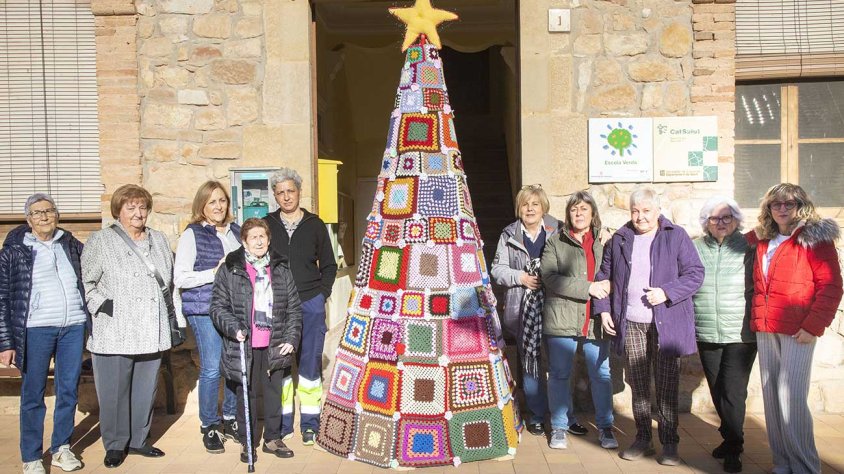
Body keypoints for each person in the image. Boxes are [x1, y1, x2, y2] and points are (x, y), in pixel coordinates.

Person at [594, 186, 704, 466]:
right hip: (631, 323)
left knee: (667, 385)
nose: (640, 216)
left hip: (665, 325)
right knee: (639, 385)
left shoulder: (675, 236)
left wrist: (667, 292)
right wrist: (604, 310)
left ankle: (669, 443)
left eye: (646, 211)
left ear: (657, 211)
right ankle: (643, 437)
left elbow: (695, 274)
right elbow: (604, 278)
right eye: (635, 211)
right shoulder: (619, 239)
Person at [81, 184, 184, 468]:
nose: (138, 213)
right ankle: (115, 445)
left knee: (145, 389)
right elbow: (87, 284)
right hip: (116, 329)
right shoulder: (100, 240)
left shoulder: (159, 239)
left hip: (152, 328)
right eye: (131, 208)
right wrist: (107, 307)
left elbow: (170, 282)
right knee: (114, 391)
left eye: (143, 207)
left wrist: (175, 319)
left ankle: (139, 440)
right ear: (118, 211)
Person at [747, 183, 842, 474]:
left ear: (801, 206)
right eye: (777, 204)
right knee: (772, 396)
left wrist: (814, 326)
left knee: (792, 397)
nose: (782, 209)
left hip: (798, 330)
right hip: (766, 326)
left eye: (789, 203)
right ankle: (784, 462)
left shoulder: (815, 240)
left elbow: (831, 286)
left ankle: (805, 466)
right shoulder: (764, 239)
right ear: (769, 208)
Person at [0, 194, 86, 474]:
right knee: (33, 394)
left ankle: (62, 448)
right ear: (28, 220)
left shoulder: (71, 245)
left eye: (49, 211)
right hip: (35, 329)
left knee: (68, 391)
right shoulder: (15, 250)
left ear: (57, 215)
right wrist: (5, 342)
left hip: (73, 326)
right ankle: (32, 457)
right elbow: (2, 297)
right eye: (37, 213)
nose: (44, 216)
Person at [211, 218, 303, 464]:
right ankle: (247, 441)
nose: (259, 241)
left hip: (275, 342)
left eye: (263, 236)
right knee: (247, 395)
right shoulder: (230, 268)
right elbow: (218, 307)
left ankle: (272, 438)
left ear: (269, 239)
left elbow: (294, 307)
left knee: (274, 393)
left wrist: (292, 338)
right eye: (253, 237)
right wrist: (234, 328)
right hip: (245, 343)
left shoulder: (281, 268)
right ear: (244, 241)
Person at [492, 184, 577, 437]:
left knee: (559, 366)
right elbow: (497, 269)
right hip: (522, 311)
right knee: (530, 365)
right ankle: (537, 415)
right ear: (519, 207)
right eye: (525, 204)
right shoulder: (508, 234)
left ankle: (565, 417)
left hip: (555, 309)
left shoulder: (559, 230)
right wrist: (521, 277)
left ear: (544, 208)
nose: (530, 209)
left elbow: (571, 264)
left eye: (535, 204)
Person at [263, 168, 336, 445]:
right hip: (278, 306)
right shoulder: (267, 223)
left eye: (290, 191)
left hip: (310, 302)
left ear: (299, 192)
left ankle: (310, 423)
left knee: (309, 364)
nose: (286, 197)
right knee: (281, 365)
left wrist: (321, 294)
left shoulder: (315, 224)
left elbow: (328, 265)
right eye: (280, 192)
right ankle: (283, 423)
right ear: (275, 195)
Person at [539, 191, 616, 450]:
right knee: (560, 374)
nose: (579, 214)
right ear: (568, 214)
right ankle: (559, 427)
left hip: (595, 318)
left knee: (601, 375)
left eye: (584, 209)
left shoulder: (606, 241)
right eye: (574, 209)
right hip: (562, 318)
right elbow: (549, 277)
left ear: (593, 213)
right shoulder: (555, 242)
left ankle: (606, 427)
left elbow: (618, 272)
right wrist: (588, 287)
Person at [174, 181, 242, 453]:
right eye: (212, 201)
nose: (218, 206)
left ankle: (230, 418)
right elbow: (180, 277)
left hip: (234, 310)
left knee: (234, 366)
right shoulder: (192, 234)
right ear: (202, 205)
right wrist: (213, 273)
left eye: (222, 200)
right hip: (204, 309)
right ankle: (210, 425)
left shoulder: (237, 232)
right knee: (212, 367)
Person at [692, 197, 756, 473]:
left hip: (741, 333)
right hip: (706, 328)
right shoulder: (695, 248)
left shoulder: (750, 248)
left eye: (726, 217)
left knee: (733, 391)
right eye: (714, 218)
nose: (720, 223)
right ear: (706, 222)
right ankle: (730, 437)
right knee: (718, 389)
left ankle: (734, 446)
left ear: (736, 220)